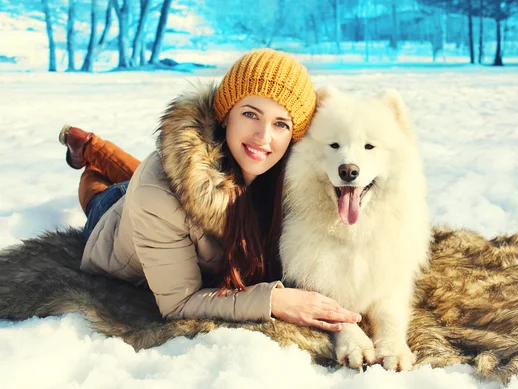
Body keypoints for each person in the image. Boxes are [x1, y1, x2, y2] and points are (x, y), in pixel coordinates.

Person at [59, 48, 361, 332]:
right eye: (251, 114)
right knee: (102, 191)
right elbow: (178, 302)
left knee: (142, 175)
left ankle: (92, 148)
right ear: (226, 114)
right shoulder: (157, 193)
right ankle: (88, 152)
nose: (263, 136)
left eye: (281, 124)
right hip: (117, 218)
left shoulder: (283, 172)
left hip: (153, 193)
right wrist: (272, 300)